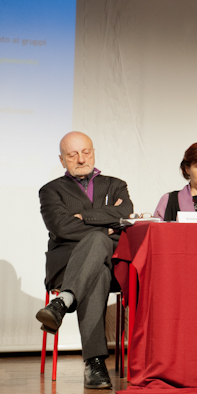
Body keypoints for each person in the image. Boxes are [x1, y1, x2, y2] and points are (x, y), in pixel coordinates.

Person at [36, 131, 133, 389]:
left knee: (100, 265)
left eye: (86, 152)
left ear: (93, 152)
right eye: (72, 154)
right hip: (66, 266)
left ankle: (63, 302)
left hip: (111, 266)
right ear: (62, 159)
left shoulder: (115, 185)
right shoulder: (50, 190)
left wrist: (83, 217)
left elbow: (125, 213)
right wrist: (107, 226)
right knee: (97, 267)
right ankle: (95, 364)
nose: (81, 159)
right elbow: (61, 228)